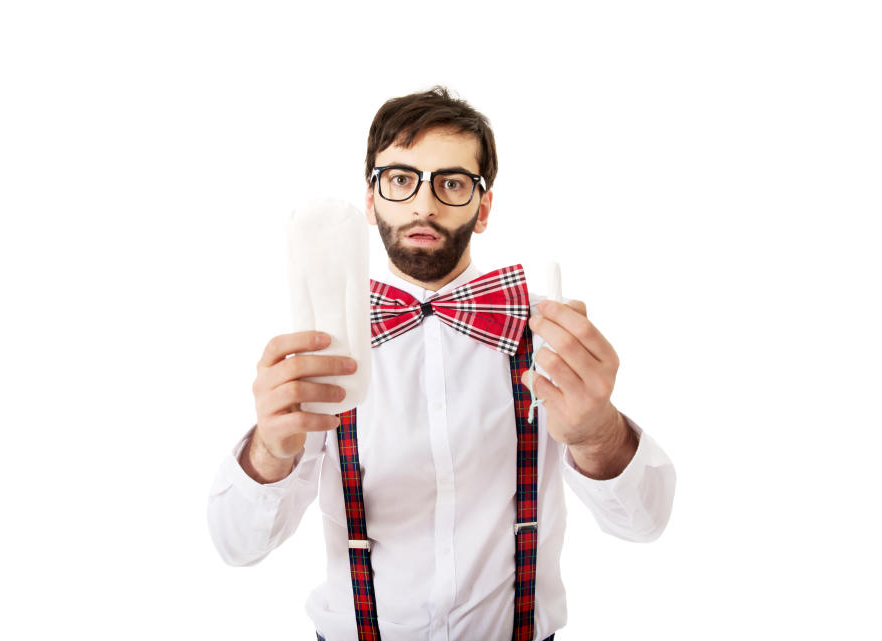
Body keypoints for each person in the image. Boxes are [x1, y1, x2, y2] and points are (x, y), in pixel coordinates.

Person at [207, 86, 676, 641]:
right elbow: (237, 546)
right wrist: (269, 450)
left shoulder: (545, 338)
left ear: (483, 208)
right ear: (371, 199)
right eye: (401, 179)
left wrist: (598, 434)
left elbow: (645, 525)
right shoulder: (324, 350)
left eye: (451, 183)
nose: (424, 205)